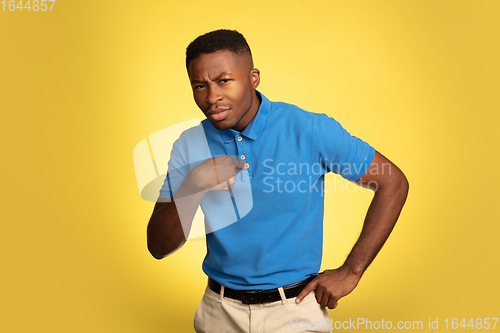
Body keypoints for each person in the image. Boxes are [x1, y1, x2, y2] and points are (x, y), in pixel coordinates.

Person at [146, 29, 409, 333]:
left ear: (253, 78)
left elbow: (393, 182)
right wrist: (194, 183)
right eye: (199, 85)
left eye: (223, 81)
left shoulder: (309, 129)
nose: (212, 96)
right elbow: (159, 246)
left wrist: (352, 270)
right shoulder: (189, 144)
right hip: (218, 312)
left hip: (294, 311)